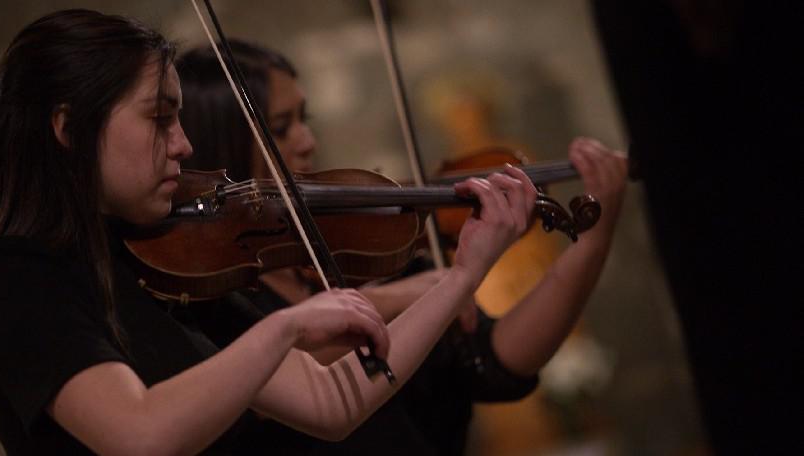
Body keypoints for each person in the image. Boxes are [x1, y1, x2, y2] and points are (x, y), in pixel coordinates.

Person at [0, 9, 538, 455]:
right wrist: (285, 327)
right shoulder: (16, 277)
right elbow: (139, 434)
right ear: (69, 129)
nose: (184, 144)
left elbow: (333, 404)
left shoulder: (160, 262)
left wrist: (463, 277)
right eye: (160, 118)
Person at [176, 40, 629, 454]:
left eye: (303, 120)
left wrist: (594, 239)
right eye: (281, 127)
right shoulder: (204, 298)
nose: (308, 141)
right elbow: (264, 386)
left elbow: (495, 361)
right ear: (222, 144)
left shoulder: (362, 251)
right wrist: (397, 299)